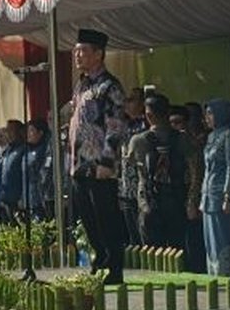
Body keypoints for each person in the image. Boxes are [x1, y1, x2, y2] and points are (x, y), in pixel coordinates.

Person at [68, 28, 128, 285]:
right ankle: (100, 254)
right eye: (76, 50)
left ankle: (115, 267)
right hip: (79, 164)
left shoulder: (109, 86)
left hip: (100, 166)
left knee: (106, 218)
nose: (78, 55)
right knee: (87, 218)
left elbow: (116, 127)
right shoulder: (82, 84)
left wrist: (106, 161)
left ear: (98, 54)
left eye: (83, 51)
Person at [126, 95, 190, 249]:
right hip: (177, 197)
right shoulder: (182, 139)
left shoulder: (138, 141)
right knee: (177, 247)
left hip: (148, 200)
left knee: (152, 250)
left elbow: (130, 167)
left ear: (148, 115)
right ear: (168, 112)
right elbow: (194, 168)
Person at [203, 99, 230, 277]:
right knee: (210, 239)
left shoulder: (229, 135)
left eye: (211, 113)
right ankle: (213, 273)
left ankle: (227, 274)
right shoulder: (211, 136)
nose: (208, 117)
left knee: (223, 237)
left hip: (221, 194)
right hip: (207, 194)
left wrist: (228, 195)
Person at [172, 105, 207, 273]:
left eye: (178, 122)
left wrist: (192, 200)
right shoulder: (174, 139)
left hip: (191, 196)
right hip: (176, 195)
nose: (175, 126)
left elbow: (196, 173)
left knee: (193, 239)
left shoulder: (188, 142)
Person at [116, 88, 149, 247]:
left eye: (131, 100)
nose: (126, 104)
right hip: (126, 185)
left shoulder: (146, 124)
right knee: (131, 232)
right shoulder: (124, 124)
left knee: (144, 229)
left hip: (142, 184)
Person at [0, 120, 25, 224]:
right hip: (6, 199)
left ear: (19, 131)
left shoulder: (23, 149)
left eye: (11, 130)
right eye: (7, 131)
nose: (8, 134)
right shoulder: (7, 151)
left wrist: (22, 197)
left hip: (18, 199)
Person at [23, 120, 54, 220]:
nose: (28, 134)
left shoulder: (44, 149)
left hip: (42, 194)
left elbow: (45, 170)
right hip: (30, 196)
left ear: (40, 133)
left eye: (31, 131)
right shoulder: (28, 150)